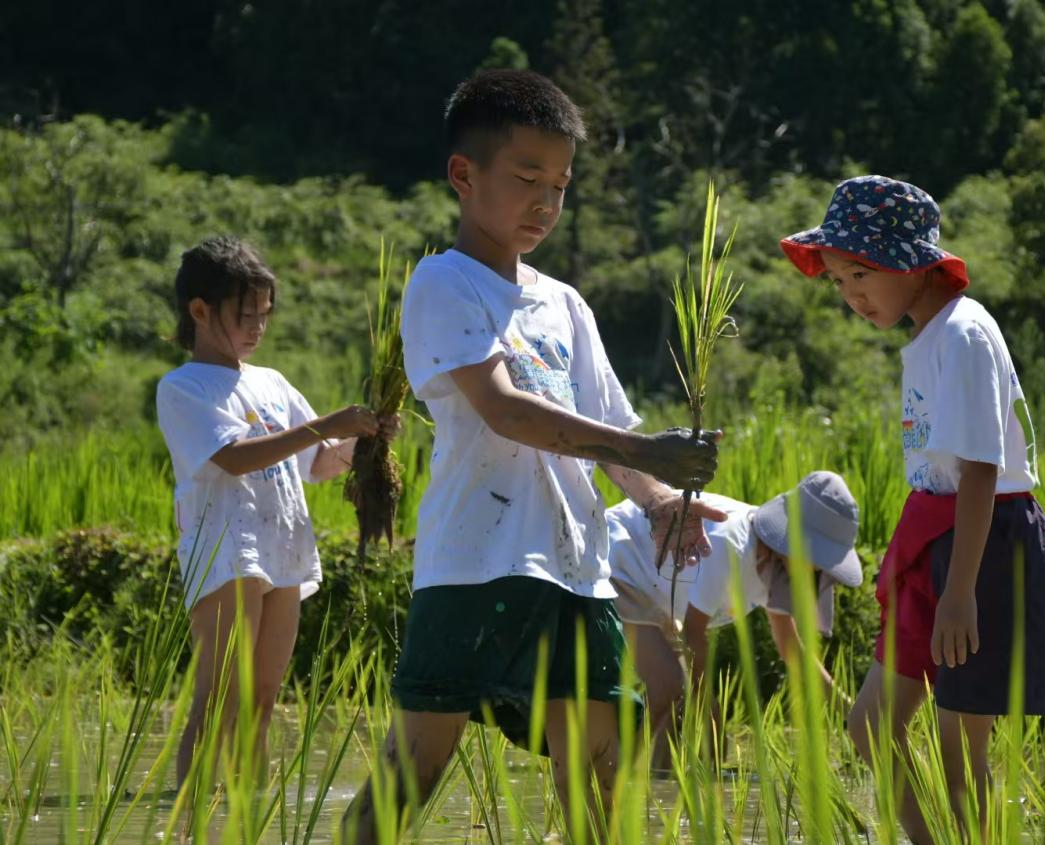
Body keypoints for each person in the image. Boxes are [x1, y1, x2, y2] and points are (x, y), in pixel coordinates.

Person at [341, 69, 723, 843]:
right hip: (475, 563)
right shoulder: (444, 283)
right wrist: (643, 450)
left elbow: (608, 427)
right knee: (417, 763)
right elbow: (505, 409)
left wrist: (656, 499)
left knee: (603, 766)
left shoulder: (565, 304)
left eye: (561, 184)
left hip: (574, 567)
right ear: (464, 174)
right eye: (526, 178)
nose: (546, 202)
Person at [780, 175, 1045, 843]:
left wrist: (960, 593)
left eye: (861, 273)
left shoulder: (963, 333)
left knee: (961, 751)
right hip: (937, 535)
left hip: (984, 543)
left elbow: (981, 469)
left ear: (913, 263)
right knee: (870, 724)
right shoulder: (931, 334)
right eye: (839, 280)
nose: (851, 295)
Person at [155, 235, 399, 790]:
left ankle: (249, 810)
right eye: (245, 316)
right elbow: (235, 457)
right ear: (200, 311)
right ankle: (191, 816)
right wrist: (325, 425)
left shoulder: (271, 383)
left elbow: (320, 462)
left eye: (264, 315)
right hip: (227, 551)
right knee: (221, 695)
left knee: (263, 699)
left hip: (282, 547)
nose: (258, 328)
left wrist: (366, 440)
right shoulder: (183, 388)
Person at [606, 471, 863, 768]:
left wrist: (854, 714)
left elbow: (791, 648)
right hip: (622, 562)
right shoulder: (730, 546)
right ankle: (618, 779)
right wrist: (709, 708)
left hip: (662, 594)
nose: (819, 569)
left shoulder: (778, 567)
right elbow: (693, 634)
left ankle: (658, 784)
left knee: (680, 708)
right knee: (670, 689)